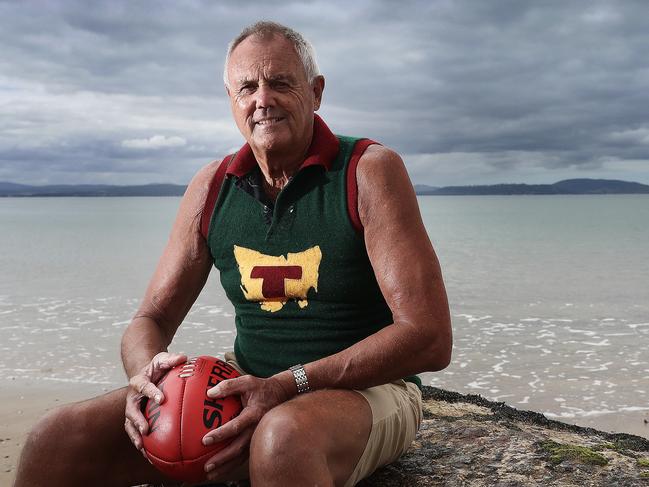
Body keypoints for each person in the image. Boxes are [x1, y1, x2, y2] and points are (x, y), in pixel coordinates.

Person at [13, 21, 452, 487]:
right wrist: (145, 378)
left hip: (370, 391)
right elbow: (152, 319)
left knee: (281, 441)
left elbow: (428, 336)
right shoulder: (211, 187)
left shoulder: (368, 171)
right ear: (231, 100)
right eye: (247, 87)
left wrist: (287, 384)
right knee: (55, 436)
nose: (263, 99)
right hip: (248, 378)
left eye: (281, 83)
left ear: (316, 92)